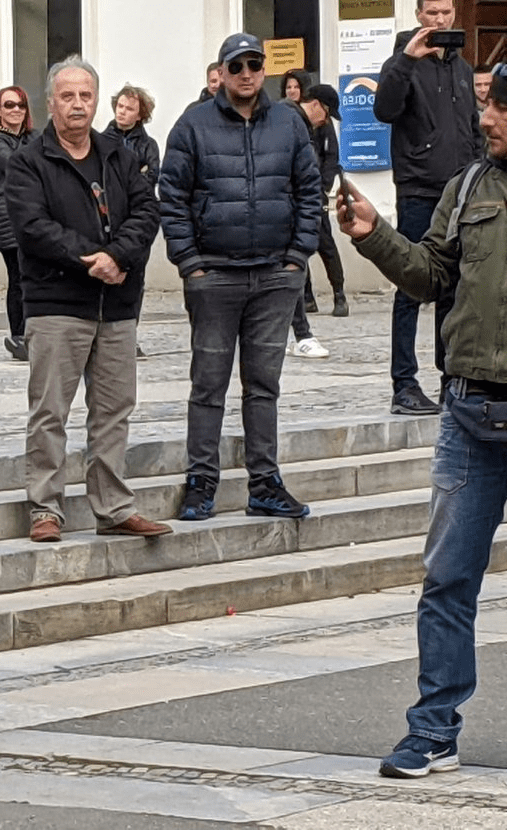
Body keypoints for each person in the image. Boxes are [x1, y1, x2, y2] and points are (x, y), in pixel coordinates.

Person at [336, 62, 507, 780]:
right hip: (470, 413)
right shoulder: (467, 185)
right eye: (485, 107)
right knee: (446, 581)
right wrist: (376, 234)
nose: (486, 119)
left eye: (498, 108)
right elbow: (432, 274)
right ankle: (434, 730)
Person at [5, 55, 171, 544]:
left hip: (116, 307)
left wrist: (117, 256)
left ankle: (114, 507)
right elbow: (33, 228)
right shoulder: (29, 162)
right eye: (67, 96)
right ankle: (45, 508)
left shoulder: (118, 156)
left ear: (96, 101)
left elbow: (146, 211)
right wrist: (89, 259)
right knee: (50, 411)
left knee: (114, 411)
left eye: (86, 95)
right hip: (57, 304)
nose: (78, 104)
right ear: (50, 102)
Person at [160, 33, 320, 522]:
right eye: (237, 66)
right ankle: (201, 481)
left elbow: (310, 189)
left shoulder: (288, 123)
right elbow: (171, 197)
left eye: (254, 65)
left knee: (263, 385)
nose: (246, 73)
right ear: (222, 72)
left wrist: (297, 256)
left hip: (275, 276)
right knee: (208, 385)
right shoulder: (193, 123)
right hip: (215, 277)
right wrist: (190, 262)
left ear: (264, 69)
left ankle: (265, 483)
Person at [373, 0, 485, 416]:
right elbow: (384, 110)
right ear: (419, 15)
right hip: (419, 190)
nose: (440, 20)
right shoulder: (402, 61)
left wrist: (477, 173)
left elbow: (472, 129)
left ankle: (448, 378)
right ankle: (404, 383)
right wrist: (405, 61)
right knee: (410, 286)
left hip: (459, 192)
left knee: (452, 290)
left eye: (446, 13)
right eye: (432, 13)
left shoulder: (460, 67)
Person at [281, 70, 349, 317]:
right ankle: (303, 304)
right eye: (328, 114)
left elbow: (328, 159)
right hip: (291, 200)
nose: (326, 120)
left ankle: (338, 294)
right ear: (317, 105)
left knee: (323, 244)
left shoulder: (303, 124)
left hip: (311, 195)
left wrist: (322, 186)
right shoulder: (290, 120)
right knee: (296, 250)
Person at [102, 83, 160, 357]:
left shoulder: (148, 145)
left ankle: (128, 334)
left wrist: (130, 179)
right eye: (120, 107)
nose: (122, 113)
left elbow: (148, 180)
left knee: (135, 280)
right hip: (109, 219)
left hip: (138, 220)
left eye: (129, 109)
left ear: (140, 114)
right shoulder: (102, 140)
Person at [0, 86, 34, 361]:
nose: (16, 110)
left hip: (33, 213)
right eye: (10, 105)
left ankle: (33, 332)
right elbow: (15, 164)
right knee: (18, 276)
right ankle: (19, 334)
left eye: (21, 105)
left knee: (33, 276)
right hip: (7, 215)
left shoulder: (32, 137)